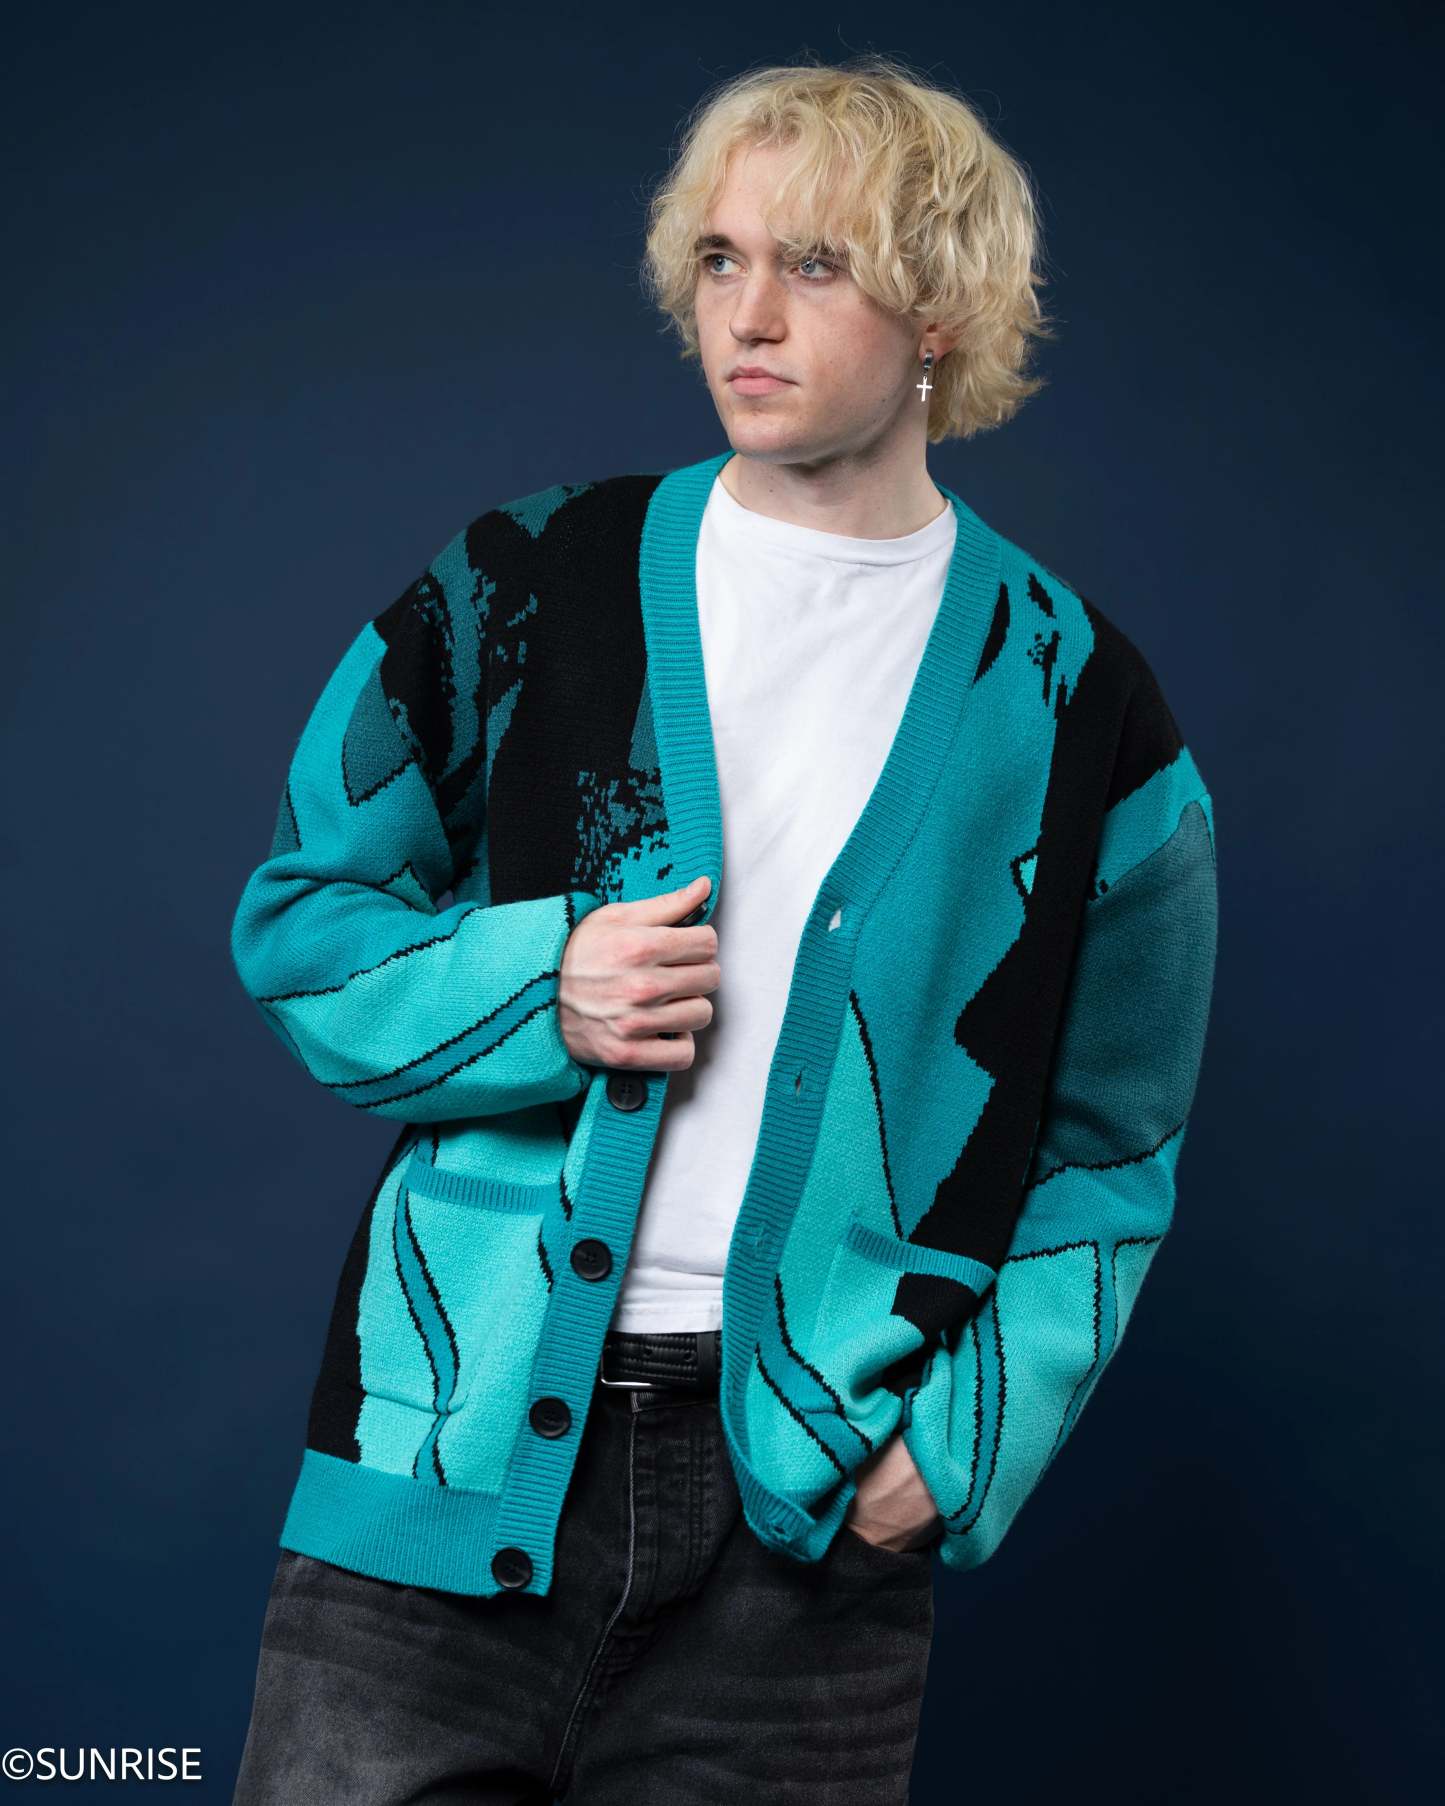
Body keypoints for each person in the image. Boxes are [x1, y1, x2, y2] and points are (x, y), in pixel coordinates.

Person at [230, 53, 1218, 1805]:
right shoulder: (523, 584)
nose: (746, 317)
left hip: (804, 1556)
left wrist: (959, 1444)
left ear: (938, 309)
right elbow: (303, 919)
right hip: (447, 1465)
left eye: (814, 266)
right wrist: (544, 985)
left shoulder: (1074, 701)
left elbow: (1111, 1148)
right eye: (718, 259)